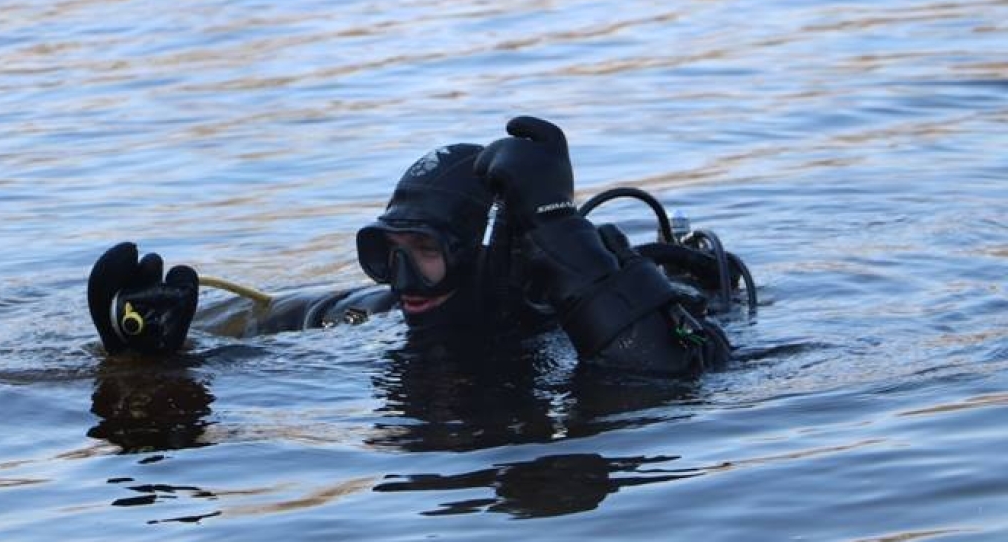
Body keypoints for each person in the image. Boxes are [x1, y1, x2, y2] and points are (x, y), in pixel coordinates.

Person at [88, 116, 751, 377]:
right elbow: (259, 328)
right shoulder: (370, 314)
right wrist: (148, 348)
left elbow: (671, 376)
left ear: (488, 253)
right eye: (385, 251)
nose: (400, 280)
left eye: (424, 251)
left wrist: (554, 225)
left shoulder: (566, 313)